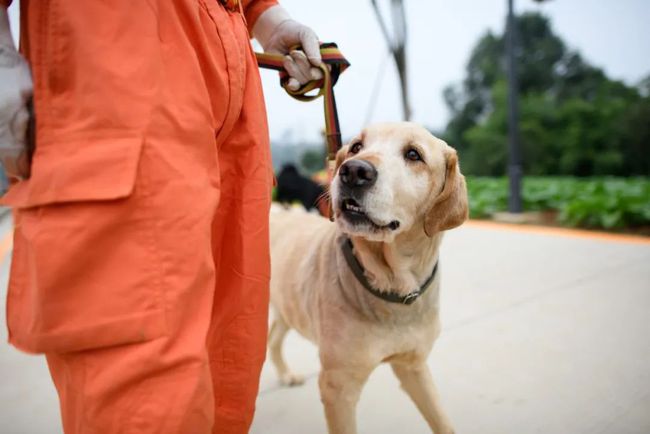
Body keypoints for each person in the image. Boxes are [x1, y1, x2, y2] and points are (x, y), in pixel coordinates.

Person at [0, 1, 324, 433]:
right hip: (114, 105)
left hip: (237, 137)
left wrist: (271, 21)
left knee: (228, 378)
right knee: (145, 403)